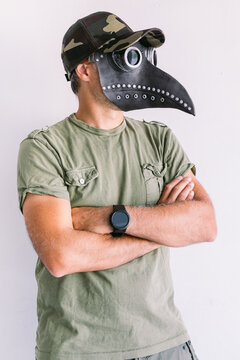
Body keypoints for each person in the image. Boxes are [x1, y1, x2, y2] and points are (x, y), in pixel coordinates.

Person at [17, 11, 217, 360]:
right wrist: (160, 227)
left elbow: (204, 224)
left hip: (166, 344)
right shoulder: (45, 147)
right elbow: (61, 256)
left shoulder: (160, 140)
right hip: (79, 350)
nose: (137, 64)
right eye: (124, 55)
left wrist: (111, 217)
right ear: (85, 69)